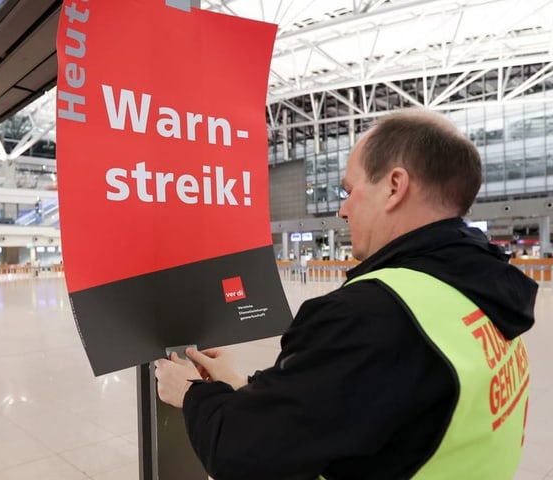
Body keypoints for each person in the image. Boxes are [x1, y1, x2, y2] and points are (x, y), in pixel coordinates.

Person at [154, 109, 537, 480]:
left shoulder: (370, 315)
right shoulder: (481, 285)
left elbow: (237, 453)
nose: (342, 209)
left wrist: (190, 395)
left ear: (394, 187)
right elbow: (364, 397)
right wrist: (242, 385)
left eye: (349, 190)